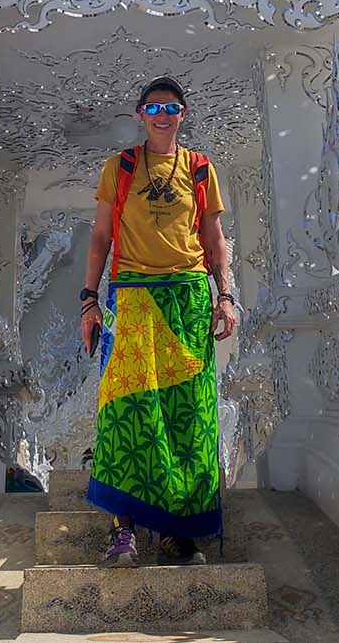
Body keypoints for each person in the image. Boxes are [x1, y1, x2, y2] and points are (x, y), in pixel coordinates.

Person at [79, 76, 237, 567]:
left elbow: (214, 242)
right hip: (133, 298)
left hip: (188, 298)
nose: (162, 115)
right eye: (153, 108)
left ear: (183, 115)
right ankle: (123, 529)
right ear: (140, 115)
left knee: (185, 416)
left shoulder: (200, 169)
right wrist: (89, 300)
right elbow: (101, 237)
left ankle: (178, 531)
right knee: (126, 411)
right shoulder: (119, 168)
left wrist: (225, 296)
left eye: (171, 107)